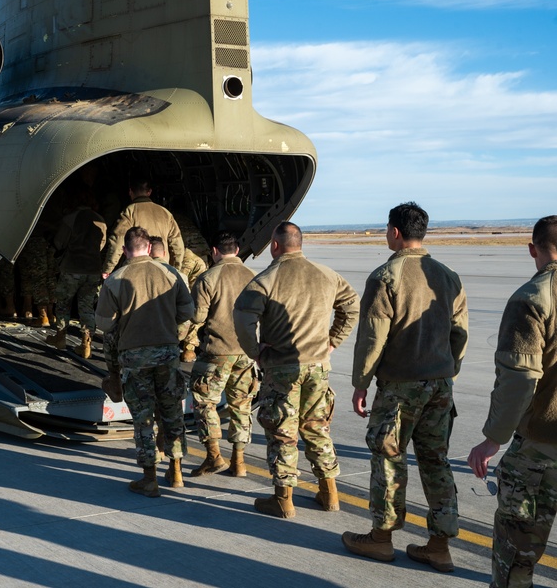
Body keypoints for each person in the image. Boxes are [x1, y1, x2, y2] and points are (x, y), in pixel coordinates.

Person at [341, 202, 468, 572]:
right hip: (440, 385)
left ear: (395, 232)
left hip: (400, 388)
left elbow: (372, 338)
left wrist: (361, 383)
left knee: (389, 460)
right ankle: (439, 544)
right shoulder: (448, 276)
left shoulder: (385, 276)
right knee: (436, 462)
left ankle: (381, 538)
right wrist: (448, 373)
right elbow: (459, 333)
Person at [234, 221, 359, 518]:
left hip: (282, 368)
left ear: (275, 246)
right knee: (317, 427)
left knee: (282, 432)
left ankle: (283, 499)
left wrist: (256, 351)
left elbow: (242, 318)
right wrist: (332, 342)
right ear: (300, 243)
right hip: (318, 366)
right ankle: (329, 494)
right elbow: (351, 306)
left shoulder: (265, 280)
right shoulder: (327, 275)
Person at [468, 215, 557, 588]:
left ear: (533, 249)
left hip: (541, 445)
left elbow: (519, 379)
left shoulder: (532, 298)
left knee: (516, 553)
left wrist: (493, 438)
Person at [96, 226, 194, 497]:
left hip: (134, 356)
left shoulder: (115, 280)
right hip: (167, 353)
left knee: (143, 417)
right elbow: (188, 312)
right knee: (171, 410)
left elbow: (104, 323)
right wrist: (167, 328)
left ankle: (149, 478)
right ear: (149, 248)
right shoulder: (171, 274)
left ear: (126, 251)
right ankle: (176, 471)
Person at [188, 231, 257, 478]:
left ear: (215, 251)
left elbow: (197, 317)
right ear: (237, 250)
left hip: (217, 352)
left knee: (204, 402)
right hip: (246, 353)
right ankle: (238, 461)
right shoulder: (253, 277)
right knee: (241, 405)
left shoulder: (208, 278)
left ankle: (214, 456)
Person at [45, 186, 107, 358]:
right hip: (93, 270)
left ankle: (60, 337)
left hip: (72, 268)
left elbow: (59, 243)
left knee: (64, 303)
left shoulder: (70, 219)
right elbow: (101, 245)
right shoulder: (100, 220)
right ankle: (86, 344)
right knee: (87, 307)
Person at [102, 179, 184, 275]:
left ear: (130, 192)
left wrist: (108, 269)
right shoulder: (165, 213)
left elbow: (117, 242)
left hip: (137, 270)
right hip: (162, 269)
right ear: (149, 192)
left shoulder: (129, 212)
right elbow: (178, 246)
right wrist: (174, 269)